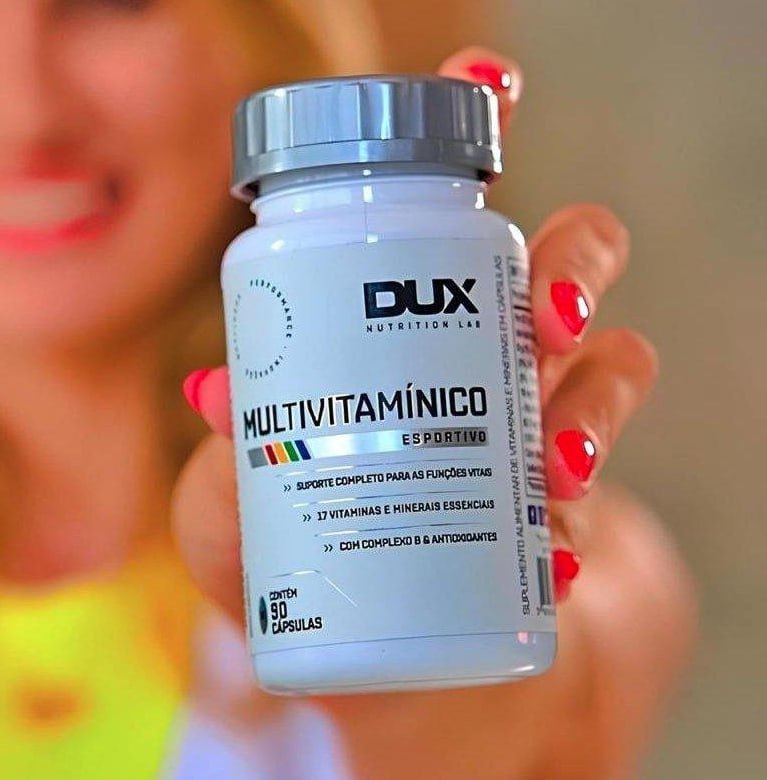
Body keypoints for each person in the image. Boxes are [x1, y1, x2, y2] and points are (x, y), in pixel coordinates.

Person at [0, 1, 696, 778]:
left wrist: (419, 640)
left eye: (106, 1)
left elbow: (528, 735)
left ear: (266, 43)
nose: (25, 115)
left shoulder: (573, 557)